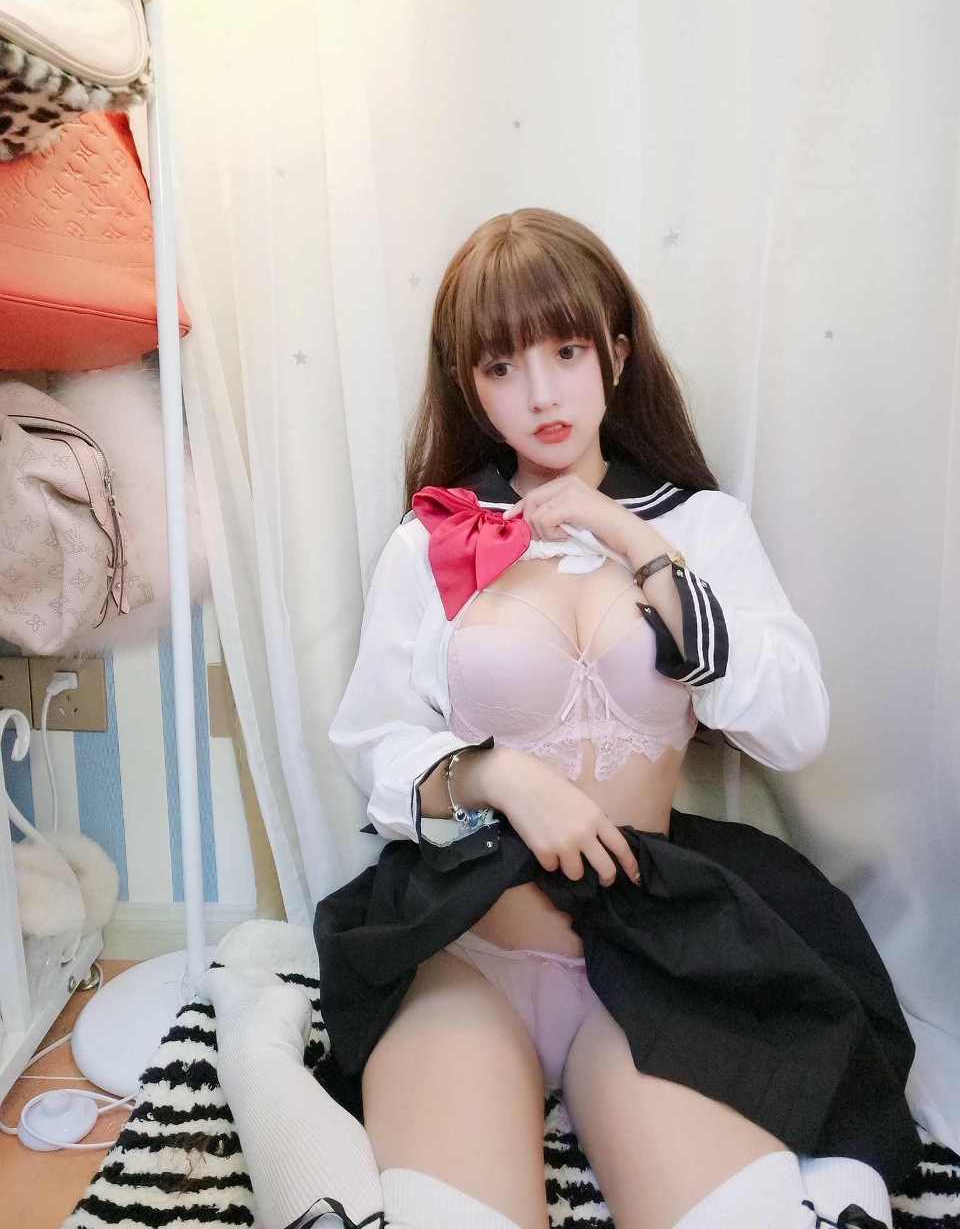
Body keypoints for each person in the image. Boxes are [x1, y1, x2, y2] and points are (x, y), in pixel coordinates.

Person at [203, 209, 920, 1229]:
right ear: (470, 386)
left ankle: (834, 1189)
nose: (541, 394)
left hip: (657, 952)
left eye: (568, 352)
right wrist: (497, 774)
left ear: (617, 354)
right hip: (473, 951)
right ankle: (261, 1049)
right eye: (502, 366)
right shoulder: (436, 538)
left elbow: (792, 725)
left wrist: (633, 540)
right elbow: (373, 740)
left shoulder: (702, 528)